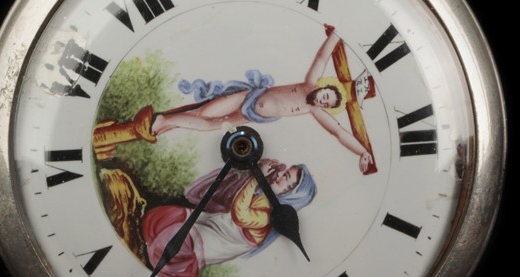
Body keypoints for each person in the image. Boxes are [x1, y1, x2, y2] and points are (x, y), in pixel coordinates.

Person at [150, 25, 374, 173]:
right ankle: (165, 121)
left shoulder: (313, 110)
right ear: (323, 86)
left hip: (252, 117)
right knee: (205, 113)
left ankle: (166, 122)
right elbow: (322, 57)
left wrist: (362, 152)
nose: (322, 101)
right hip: (247, 98)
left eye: (326, 104)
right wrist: (336, 35)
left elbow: (339, 132)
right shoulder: (308, 84)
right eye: (325, 96)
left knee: (210, 126)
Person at [141, 159, 316, 277]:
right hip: (222, 222)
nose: (280, 175)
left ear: (289, 192)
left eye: (286, 177)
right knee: (164, 216)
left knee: (180, 239)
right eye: (285, 171)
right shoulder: (266, 196)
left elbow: (239, 213)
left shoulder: (267, 216)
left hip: (224, 239)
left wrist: (256, 178)